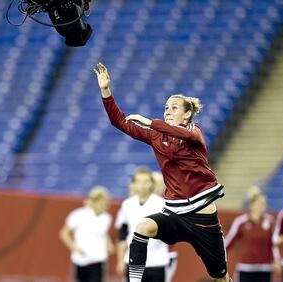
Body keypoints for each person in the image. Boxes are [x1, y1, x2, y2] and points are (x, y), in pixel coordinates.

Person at [94, 63, 231, 282]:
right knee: (142, 228)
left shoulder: (194, 132)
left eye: (174, 107)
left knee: (220, 278)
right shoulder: (157, 137)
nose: (168, 110)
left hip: (203, 218)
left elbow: (183, 135)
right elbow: (119, 121)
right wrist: (106, 91)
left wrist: (150, 122)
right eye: (166, 107)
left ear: (187, 115)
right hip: (175, 213)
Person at [115, 167, 170, 282]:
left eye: (146, 181)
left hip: (156, 261)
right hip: (133, 260)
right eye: (139, 181)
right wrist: (120, 260)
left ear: (151, 184)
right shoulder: (127, 204)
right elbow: (122, 235)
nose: (142, 185)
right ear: (134, 184)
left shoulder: (162, 204)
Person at [59, 186, 113, 282]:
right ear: (94, 201)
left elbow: (103, 233)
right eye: (101, 201)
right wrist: (74, 247)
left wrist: (108, 244)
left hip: (98, 259)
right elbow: (64, 233)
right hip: (81, 260)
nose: (103, 204)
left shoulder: (106, 217)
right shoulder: (79, 215)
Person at [225, 186, 277, 282]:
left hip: (265, 269)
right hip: (246, 268)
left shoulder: (270, 222)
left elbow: (273, 244)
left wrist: (276, 260)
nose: (262, 206)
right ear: (252, 205)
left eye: (264, 204)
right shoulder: (241, 222)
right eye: (259, 203)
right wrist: (217, 257)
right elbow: (228, 242)